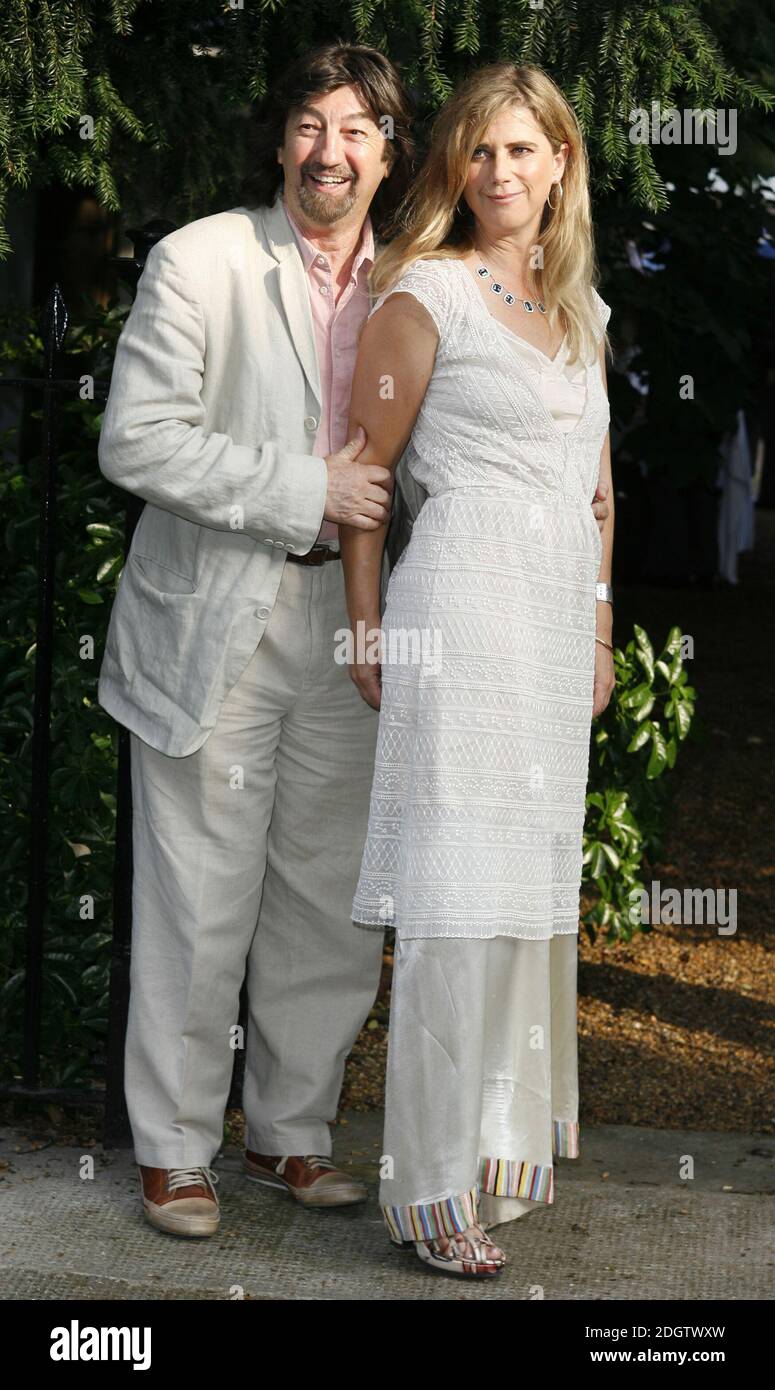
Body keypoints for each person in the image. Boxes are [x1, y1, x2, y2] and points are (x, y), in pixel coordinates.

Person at [95, 43, 415, 1237]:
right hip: (217, 615)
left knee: (328, 898)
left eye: (355, 131)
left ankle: (293, 1131)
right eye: (308, 125)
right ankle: (175, 1150)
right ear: (282, 139)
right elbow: (136, 440)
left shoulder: (420, 281)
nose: (329, 153)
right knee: (198, 894)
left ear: (388, 151)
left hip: (357, 623)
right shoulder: (201, 260)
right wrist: (305, 490)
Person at [341, 61, 616, 1278]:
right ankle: (429, 1186)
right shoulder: (426, 295)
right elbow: (365, 476)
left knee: (520, 908)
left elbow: (600, 494)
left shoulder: (584, 314)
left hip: (553, 639)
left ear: (561, 163)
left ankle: (502, 1154)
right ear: (455, 167)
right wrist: (364, 631)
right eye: (480, 152)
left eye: (524, 151)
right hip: (457, 618)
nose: (501, 174)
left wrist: (601, 633)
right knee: (454, 912)